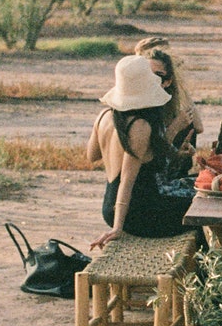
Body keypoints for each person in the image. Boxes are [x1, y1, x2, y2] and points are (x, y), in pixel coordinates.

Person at [87, 55, 193, 248]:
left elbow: (92, 156)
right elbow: (127, 182)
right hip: (140, 211)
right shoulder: (139, 126)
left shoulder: (104, 116)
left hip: (110, 206)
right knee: (206, 210)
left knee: (200, 194)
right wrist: (118, 228)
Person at [134, 36, 204, 161]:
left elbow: (198, 127)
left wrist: (179, 84)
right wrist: (176, 127)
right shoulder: (138, 103)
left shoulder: (168, 90)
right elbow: (148, 154)